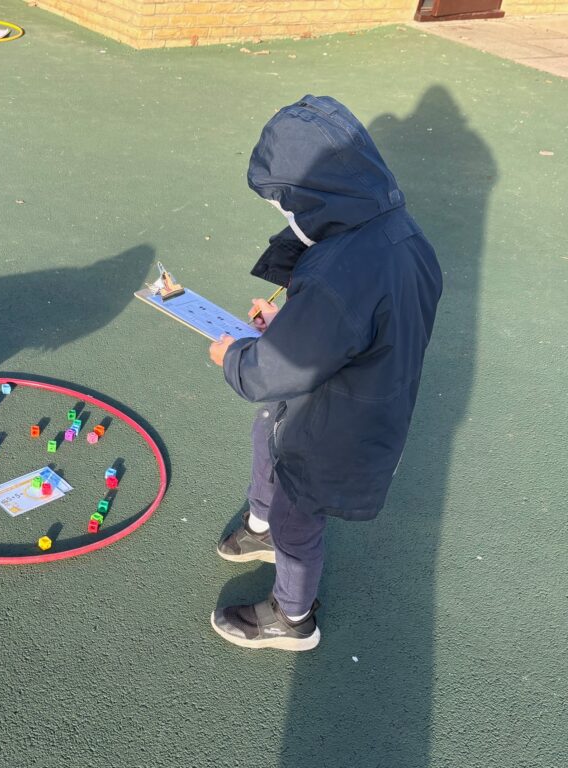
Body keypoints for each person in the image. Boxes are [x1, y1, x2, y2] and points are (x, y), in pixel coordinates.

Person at [207, 95, 443, 651]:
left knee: (299, 514)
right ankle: (260, 525)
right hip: (359, 390)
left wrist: (235, 357)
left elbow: (278, 370)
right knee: (268, 432)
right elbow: (354, 322)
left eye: (285, 202)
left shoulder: (344, 271)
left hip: (338, 422)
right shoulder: (392, 232)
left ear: (313, 195)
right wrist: (294, 317)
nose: (285, 214)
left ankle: (292, 618)